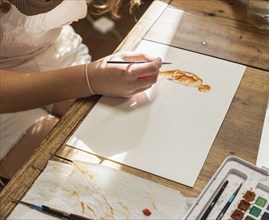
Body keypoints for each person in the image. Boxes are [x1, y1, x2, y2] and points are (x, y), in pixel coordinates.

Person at [0, 0, 162, 181]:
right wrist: (88, 79)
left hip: (53, 52)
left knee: (128, 120)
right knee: (72, 173)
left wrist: (93, 78)